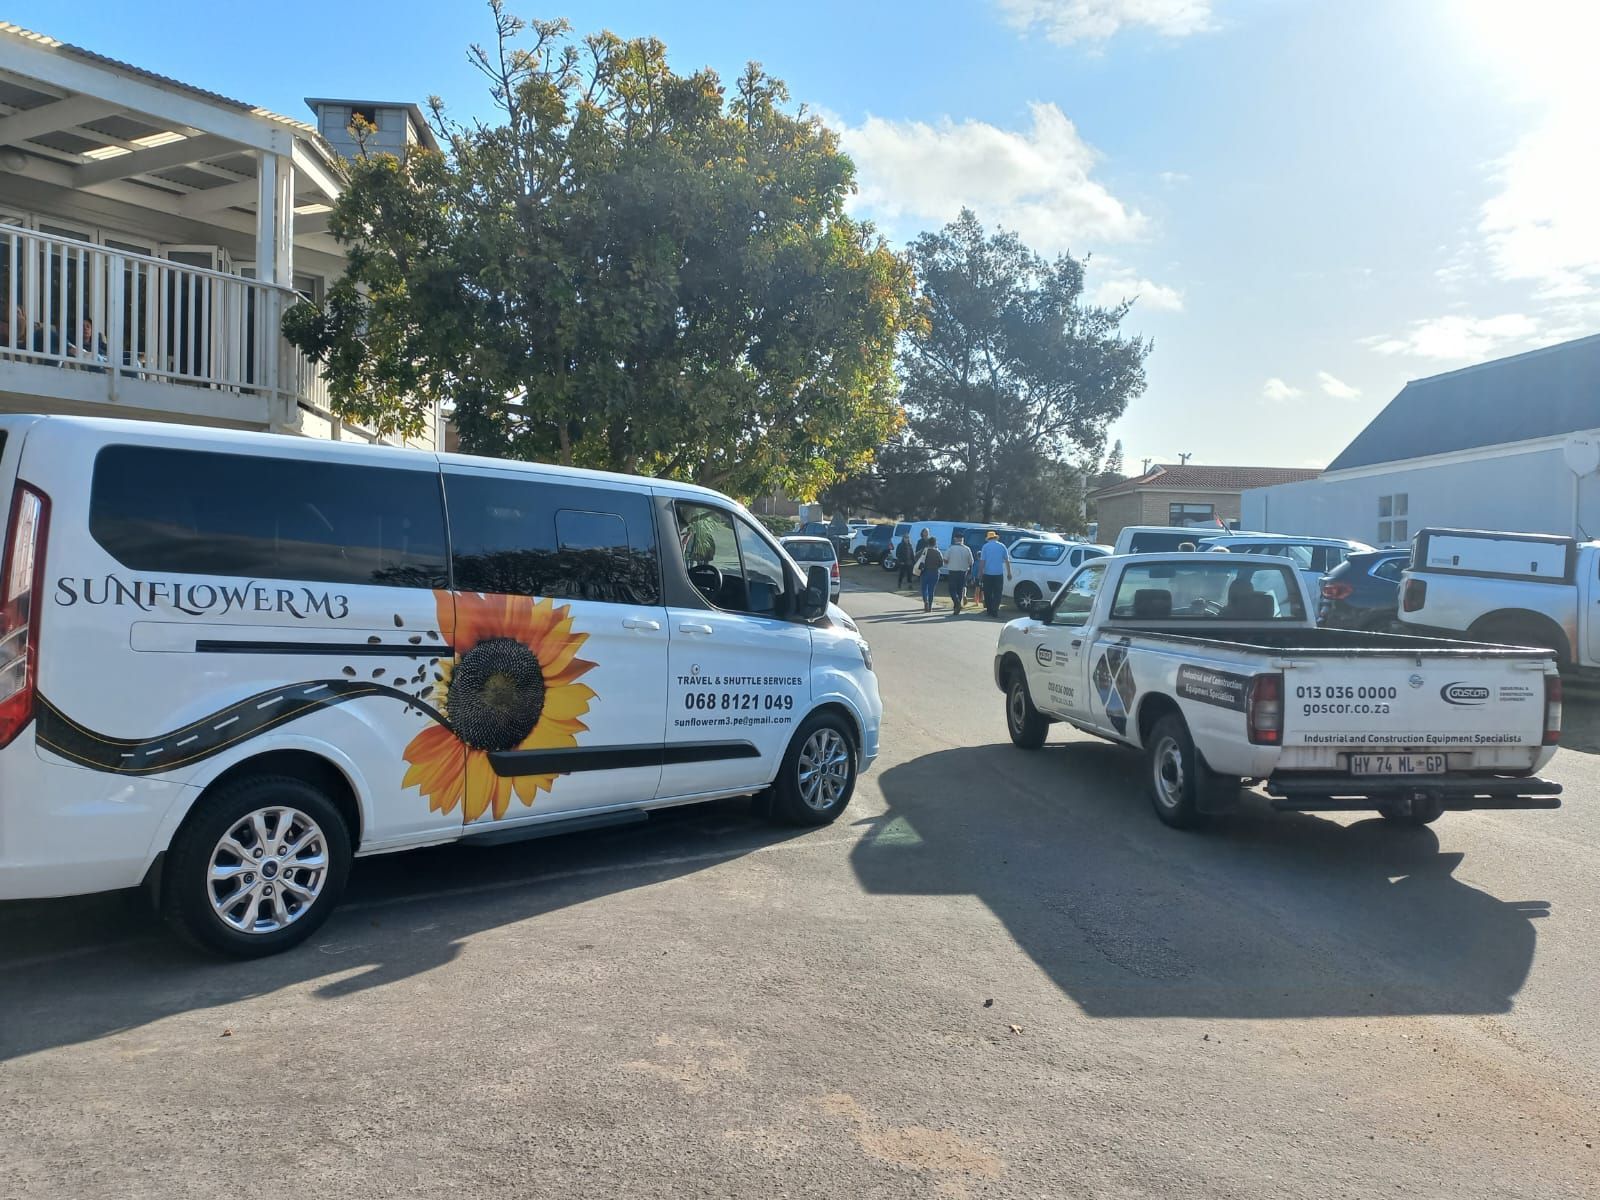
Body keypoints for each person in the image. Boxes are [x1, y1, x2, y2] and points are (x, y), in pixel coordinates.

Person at [977, 530, 1010, 618]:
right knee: (997, 593)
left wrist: (980, 572)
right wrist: (1009, 572)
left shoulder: (985, 547)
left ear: (988, 538)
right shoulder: (1002, 546)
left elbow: (982, 561)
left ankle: (989, 610)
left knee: (987, 592)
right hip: (998, 573)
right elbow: (1007, 560)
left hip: (988, 573)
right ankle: (995, 610)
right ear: (995, 537)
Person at [943, 531, 974, 614]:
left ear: (955, 539)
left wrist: (949, 562)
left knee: (952, 589)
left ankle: (956, 603)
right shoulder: (967, 549)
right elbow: (971, 562)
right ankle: (957, 606)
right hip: (963, 572)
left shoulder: (951, 548)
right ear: (962, 539)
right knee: (960, 590)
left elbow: (945, 560)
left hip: (953, 571)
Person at [915, 538, 944, 612]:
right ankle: (930, 606)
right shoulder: (937, 552)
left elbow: (916, 557)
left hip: (925, 571)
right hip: (934, 572)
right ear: (935, 543)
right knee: (931, 589)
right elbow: (941, 563)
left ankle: (925, 602)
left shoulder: (924, 551)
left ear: (928, 543)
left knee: (924, 589)